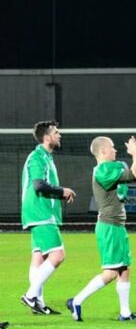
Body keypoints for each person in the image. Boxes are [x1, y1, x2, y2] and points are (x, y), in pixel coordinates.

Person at [66, 136, 136, 322]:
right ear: (102, 151)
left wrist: (130, 161)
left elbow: (131, 174)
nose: (115, 150)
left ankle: (125, 313)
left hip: (117, 226)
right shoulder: (102, 170)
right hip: (109, 227)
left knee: (124, 269)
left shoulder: (111, 168)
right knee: (110, 273)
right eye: (112, 147)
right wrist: (135, 154)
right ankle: (76, 301)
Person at [21, 120, 76, 315]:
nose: (59, 135)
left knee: (39, 257)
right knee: (58, 255)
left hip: (38, 212)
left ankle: (39, 303)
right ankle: (30, 296)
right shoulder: (38, 157)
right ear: (46, 137)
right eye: (56, 132)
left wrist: (60, 194)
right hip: (40, 212)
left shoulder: (46, 157)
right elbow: (38, 185)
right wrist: (62, 191)